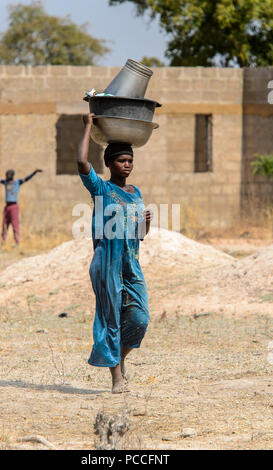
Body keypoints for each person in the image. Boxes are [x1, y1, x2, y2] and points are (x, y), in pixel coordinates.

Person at [78, 113, 152, 394]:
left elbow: (140, 236)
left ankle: (119, 359)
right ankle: (116, 378)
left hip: (131, 263)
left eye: (130, 160)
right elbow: (81, 163)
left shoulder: (136, 192)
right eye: (122, 160)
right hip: (106, 263)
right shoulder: (101, 188)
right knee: (110, 318)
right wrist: (87, 127)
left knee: (139, 318)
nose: (127, 165)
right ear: (109, 163)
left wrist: (146, 222)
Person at [0, 168, 43, 245]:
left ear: (12, 175)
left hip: (14, 207)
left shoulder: (17, 182)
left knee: (15, 225)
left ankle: (17, 242)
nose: (7, 176)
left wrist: (34, 172)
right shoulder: (5, 182)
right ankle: (3, 242)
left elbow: (26, 179)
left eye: (8, 175)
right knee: (4, 225)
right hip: (7, 207)